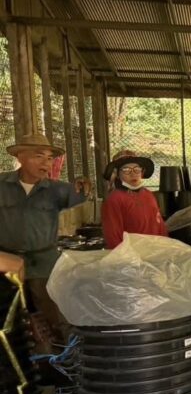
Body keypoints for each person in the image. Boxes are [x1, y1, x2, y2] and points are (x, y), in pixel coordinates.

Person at [0, 132, 91, 345]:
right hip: (7, 264)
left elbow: (81, 193)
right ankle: (22, 361)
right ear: (20, 157)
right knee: (10, 319)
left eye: (50, 158)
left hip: (43, 264)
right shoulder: (1, 185)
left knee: (53, 317)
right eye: (38, 156)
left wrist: (84, 183)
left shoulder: (56, 190)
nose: (46, 163)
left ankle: (63, 359)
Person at [101, 150, 168, 249]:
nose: (133, 174)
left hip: (155, 249)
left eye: (137, 169)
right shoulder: (114, 199)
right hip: (133, 253)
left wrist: (165, 247)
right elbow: (113, 236)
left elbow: (160, 225)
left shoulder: (149, 195)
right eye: (126, 170)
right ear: (117, 174)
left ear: (142, 172)